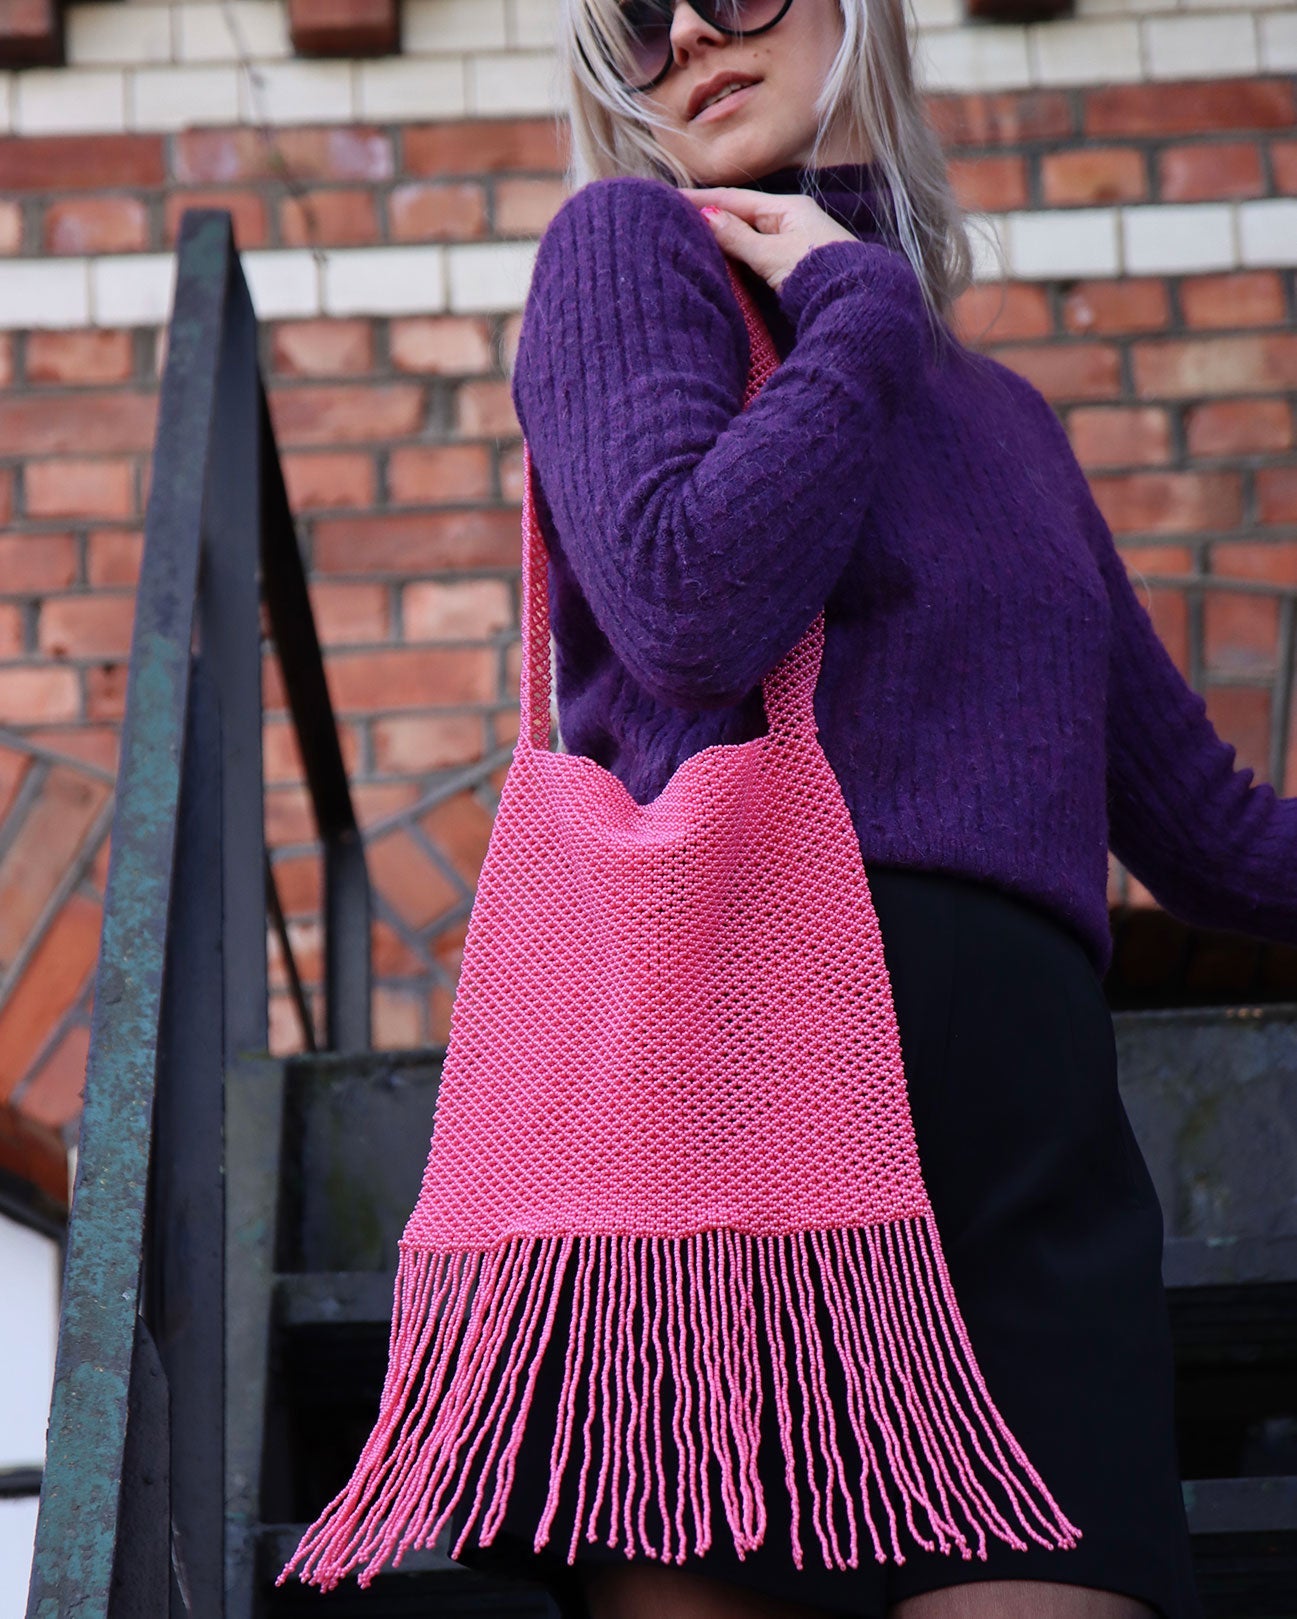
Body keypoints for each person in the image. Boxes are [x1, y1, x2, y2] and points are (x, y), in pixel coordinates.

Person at [444, 2, 1297, 1616]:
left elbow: (1205, 826)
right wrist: (847, 312)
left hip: (1019, 1173)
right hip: (728, 1131)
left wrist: (870, 310)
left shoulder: (1007, 424)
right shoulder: (629, 255)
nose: (690, 25)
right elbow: (691, 600)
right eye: (634, 9)